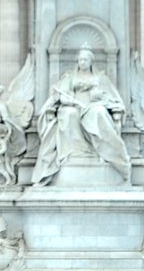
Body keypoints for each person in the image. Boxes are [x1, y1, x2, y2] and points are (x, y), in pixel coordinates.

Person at [34, 47, 132, 185]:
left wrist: (98, 96)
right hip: (73, 106)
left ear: (91, 62)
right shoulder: (70, 77)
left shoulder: (100, 78)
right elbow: (61, 95)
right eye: (80, 60)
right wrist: (68, 101)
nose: (83, 62)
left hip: (93, 105)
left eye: (85, 60)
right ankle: (73, 153)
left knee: (99, 113)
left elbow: (110, 96)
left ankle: (106, 151)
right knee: (69, 114)